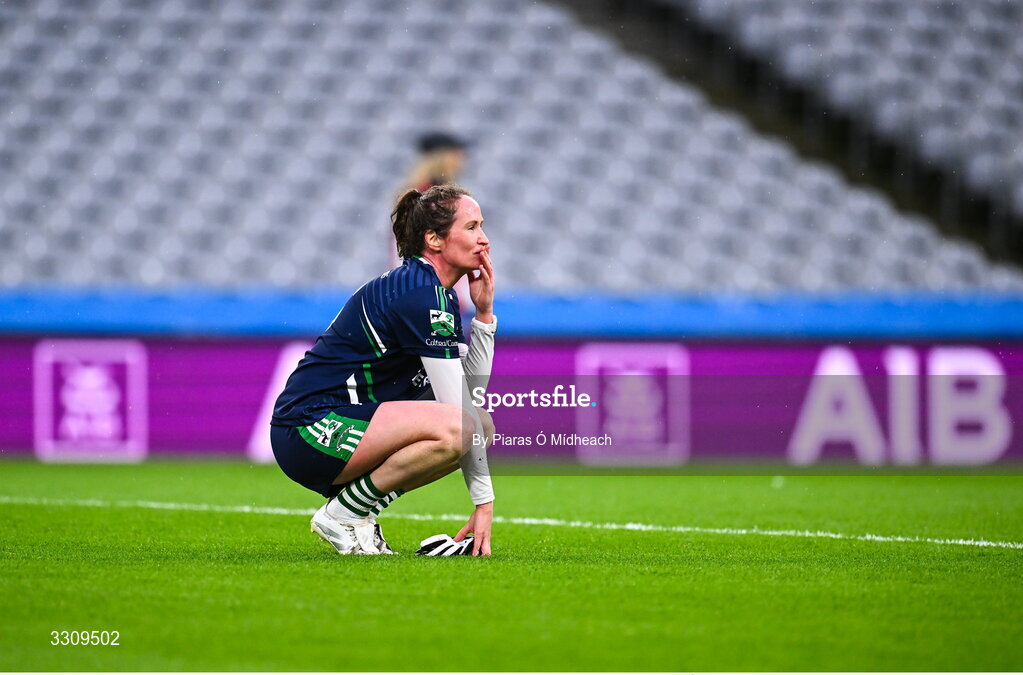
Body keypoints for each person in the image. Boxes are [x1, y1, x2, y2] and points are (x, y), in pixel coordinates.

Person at [270, 184, 498, 556]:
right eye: (471, 227)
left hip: (344, 421)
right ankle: (343, 514)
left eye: (482, 227)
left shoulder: (430, 292)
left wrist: (484, 316)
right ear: (435, 239)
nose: (484, 240)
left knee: (480, 425)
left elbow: (470, 399)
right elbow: (460, 410)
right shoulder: (421, 295)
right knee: (465, 426)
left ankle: (356, 514)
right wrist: (483, 502)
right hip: (309, 427)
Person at [393, 132, 474, 315]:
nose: (461, 159)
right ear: (442, 157)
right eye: (455, 153)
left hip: (432, 297)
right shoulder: (426, 200)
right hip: (431, 300)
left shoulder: (424, 196)